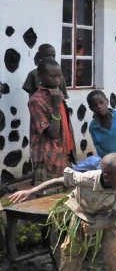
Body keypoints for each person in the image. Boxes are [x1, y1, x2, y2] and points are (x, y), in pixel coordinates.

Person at [10, 153, 116, 271]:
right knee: (71, 247)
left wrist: (96, 228)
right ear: (107, 177)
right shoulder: (87, 178)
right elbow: (58, 181)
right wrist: (31, 191)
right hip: (82, 212)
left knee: (113, 246)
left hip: (105, 216)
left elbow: (113, 217)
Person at [28, 59, 76, 194]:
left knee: (69, 201)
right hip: (48, 159)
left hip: (64, 156)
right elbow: (53, 133)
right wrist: (55, 107)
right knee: (47, 204)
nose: (57, 80)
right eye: (52, 76)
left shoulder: (57, 94)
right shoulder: (36, 101)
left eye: (59, 76)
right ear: (40, 76)